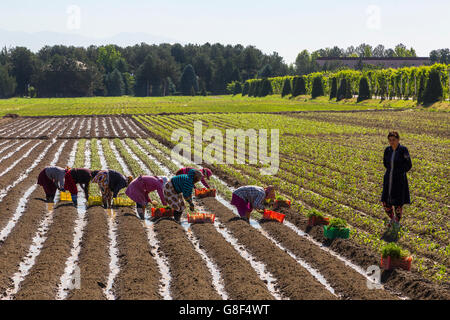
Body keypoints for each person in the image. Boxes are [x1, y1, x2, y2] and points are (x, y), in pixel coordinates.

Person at [381, 131, 412, 228]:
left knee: (398, 202)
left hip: (399, 180)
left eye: (394, 140)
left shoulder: (403, 150)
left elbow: (408, 164)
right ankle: (392, 219)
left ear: (398, 140)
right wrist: (391, 171)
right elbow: (385, 163)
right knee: (385, 202)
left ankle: (397, 222)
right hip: (388, 178)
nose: (392, 142)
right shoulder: (387, 150)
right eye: (390, 140)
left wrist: (399, 172)